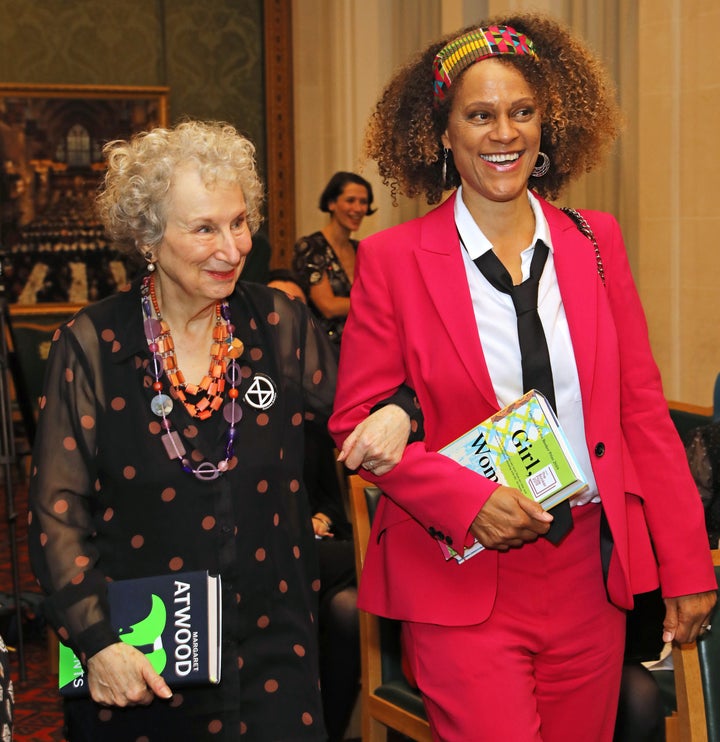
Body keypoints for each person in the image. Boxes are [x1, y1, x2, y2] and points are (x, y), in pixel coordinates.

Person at [329, 14, 717, 742]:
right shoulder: (394, 260)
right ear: (444, 134)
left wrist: (687, 562)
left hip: (589, 575)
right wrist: (470, 500)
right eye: (479, 115)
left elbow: (640, 412)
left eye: (521, 112)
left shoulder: (596, 242)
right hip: (460, 578)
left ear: (547, 123)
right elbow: (354, 425)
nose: (502, 133)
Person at [28, 120, 417, 742]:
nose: (232, 248)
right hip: (143, 657)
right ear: (149, 236)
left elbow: (365, 399)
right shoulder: (93, 345)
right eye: (204, 228)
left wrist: (401, 409)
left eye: (239, 222)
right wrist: (96, 641)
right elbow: (57, 512)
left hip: (274, 646)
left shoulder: (280, 325)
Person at [293, 171, 375, 353]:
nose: (358, 208)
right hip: (323, 350)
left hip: (360, 347)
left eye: (363, 202)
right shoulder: (311, 247)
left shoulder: (361, 248)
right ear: (331, 203)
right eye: (350, 200)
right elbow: (328, 306)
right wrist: (376, 303)